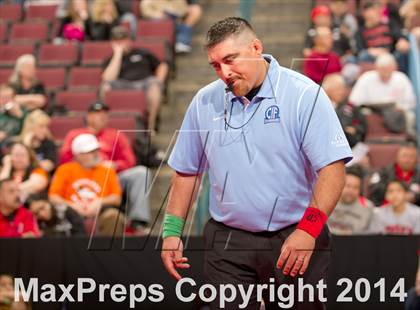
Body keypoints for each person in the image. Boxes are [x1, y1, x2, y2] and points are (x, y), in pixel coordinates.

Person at [161, 17, 353, 309]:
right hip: (228, 242)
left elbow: (332, 170)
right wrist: (172, 232)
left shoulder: (304, 94)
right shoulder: (204, 102)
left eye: (230, 59)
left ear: (256, 47)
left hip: (295, 234)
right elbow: (187, 172)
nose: (224, 72)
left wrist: (308, 230)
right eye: (215, 65)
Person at [59, 101, 151, 230]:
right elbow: (64, 159)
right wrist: (85, 162)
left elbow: (130, 161)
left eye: (105, 114)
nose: (102, 116)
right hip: (81, 178)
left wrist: (115, 165)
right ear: (88, 116)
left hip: (110, 177)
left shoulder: (116, 135)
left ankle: (138, 221)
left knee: (141, 172)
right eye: (97, 114)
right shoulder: (75, 134)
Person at [49, 133, 124, 236]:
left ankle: (109, 251)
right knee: (57, 215)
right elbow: (53, 197)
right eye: (91, 152)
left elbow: (116, 198)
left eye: (96, 150)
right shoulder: (64, 169)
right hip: (71, 212)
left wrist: (99, 202)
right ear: (78, 155)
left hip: (100, 212)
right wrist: (72, 206)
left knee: (114, 216)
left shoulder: (108, 171)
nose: (96, 154)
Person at [102, 26, 169, 133]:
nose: (121, 43)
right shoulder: (110, 59)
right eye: (117, 40)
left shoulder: (142, 52)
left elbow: (162, 66)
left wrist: (159, 81)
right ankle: (109, 125)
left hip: (144, 82)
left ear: (129, 40)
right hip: (122, 84)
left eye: (123, 39)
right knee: (106, 86)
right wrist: (118, 54)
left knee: (154, 86)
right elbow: (108, 78)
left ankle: (150, 126)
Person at [349, 53, 416, 134]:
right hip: (371, 111)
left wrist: (401, 108)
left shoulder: (401, 78)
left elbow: (411, 101)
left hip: (396, 113)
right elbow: (354, 100)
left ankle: (408, 140)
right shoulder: (366, 78)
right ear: (376, 68)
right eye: (383, 70)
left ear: (394, 68)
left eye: (388, 70)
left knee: (410, 116)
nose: (385, 74)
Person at [355, 1, 410, 71]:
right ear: (365, 12)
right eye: (374, 9)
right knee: (363, 55)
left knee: (403, 51)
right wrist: (374, 51)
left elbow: (399, 35)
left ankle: (401, 76)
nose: (378, 11)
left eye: (379, 9)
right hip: (373, 59)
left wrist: (402, 40)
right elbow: (360, 51)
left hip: (391, 57)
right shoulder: (360, 32)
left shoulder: (389, 24)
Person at [369, 141, 420, 206]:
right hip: (385, 209)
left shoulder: (418, 176)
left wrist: (415, 197)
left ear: (417, 160)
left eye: (411, 157)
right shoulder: (383, 172)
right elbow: (374, 189)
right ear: (397, 157)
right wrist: (392, 194)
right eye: (404, 156)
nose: (407, 160)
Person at [323, 73, 366, 148]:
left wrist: (355, 129)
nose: (341, 92)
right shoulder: (319, 107)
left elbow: (362, 126)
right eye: (337, 89)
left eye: (342, 88)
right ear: (327, 90)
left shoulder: (351, 107)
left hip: (350, 145)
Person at [328, 166, 373, 234]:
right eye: (348, 186)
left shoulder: (367, 207)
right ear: (340, 184)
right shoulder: (328, 200)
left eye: (355, 187)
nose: (351, 191)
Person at [19, 109, 57, 174]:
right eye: (41, 127)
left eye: (46, 127)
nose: (45, 130)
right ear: (31, 127)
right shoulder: (20, 143)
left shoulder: (49, 144)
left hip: (40, 176)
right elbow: (18, 165)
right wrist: (27, 145)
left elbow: (47, 166)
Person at [0, 84, 27, 149]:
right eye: (3, 98)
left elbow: (27, 130)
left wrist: (20, 116)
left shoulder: (22, 111)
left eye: (9, 98)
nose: (6, 101)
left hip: (16, 144)